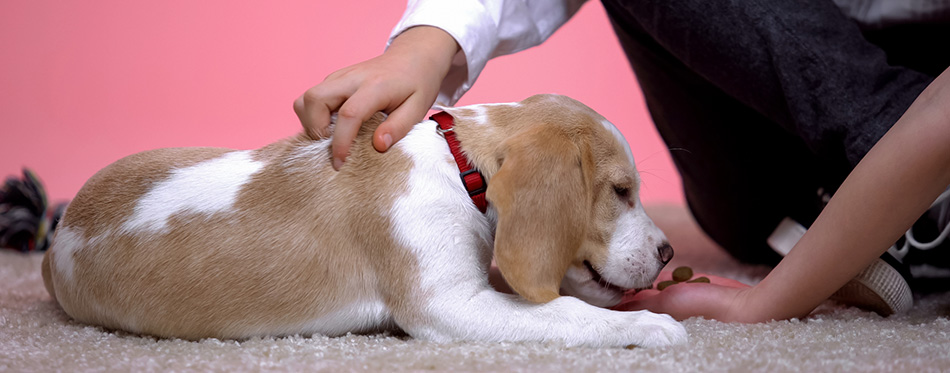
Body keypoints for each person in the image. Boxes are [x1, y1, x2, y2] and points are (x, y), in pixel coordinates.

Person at [292, 0, 950, 322]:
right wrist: (431, 40)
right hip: (777, 182)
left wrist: (766, 303)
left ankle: (926, 212)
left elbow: (936, 126)